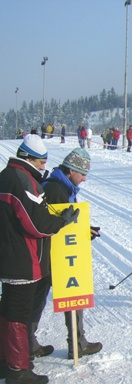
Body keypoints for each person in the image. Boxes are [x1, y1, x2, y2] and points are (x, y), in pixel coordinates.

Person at [0, 135, 79, 384]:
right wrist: (61, 221)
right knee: (18, 315)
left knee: (7, 311)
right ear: (29, 158)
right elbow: (37, 224)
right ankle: (18, 369)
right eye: (42, 162)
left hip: (7, 255)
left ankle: (6, 363)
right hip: (22, 260)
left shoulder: (5, 175)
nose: (44, 167)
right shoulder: (23, 180)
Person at [29, 148, 102, 361]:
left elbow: (66, 221)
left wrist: (84, 229)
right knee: (72, 296)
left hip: (46, 253)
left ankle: (28, 343)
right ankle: (77, 344)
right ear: (70, 170)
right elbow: (54, 224)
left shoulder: (60, 185)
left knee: (38, 298)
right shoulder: (57, 190)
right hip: (55, 254)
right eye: (82, 173)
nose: (85, 178)